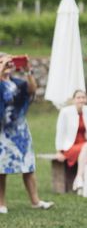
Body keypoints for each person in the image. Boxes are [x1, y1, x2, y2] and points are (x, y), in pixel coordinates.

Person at [0, 54, 54, 213]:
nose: (7, 64)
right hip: (2, 132)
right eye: (2, 61)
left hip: (20, 131)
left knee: (28, 166)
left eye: (8, 61)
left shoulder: (17, 83)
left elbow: (31, 90)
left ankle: (35, 201)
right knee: (1, 169)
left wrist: (28, 71)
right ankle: (1, 203)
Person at [55, 89, 87, 194]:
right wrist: (59, 150)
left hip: (85, 145)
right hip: (70, 146)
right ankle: (80, 180)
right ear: (74, 100)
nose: (81, 100)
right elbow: (60, 131)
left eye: (83, 97)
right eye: (78, 98)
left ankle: (79, 180)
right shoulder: (65, 112)